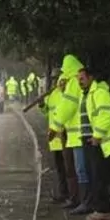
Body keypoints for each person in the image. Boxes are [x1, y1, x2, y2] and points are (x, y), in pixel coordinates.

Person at [71, 67, 110, 220]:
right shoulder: (85, 95)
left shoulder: (100, 94)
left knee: (99, 176)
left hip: (98, 142)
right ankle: (98, 208)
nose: (80, 82)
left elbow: (105, 116)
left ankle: (103, 210)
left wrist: (97, 136)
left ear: (91, 78)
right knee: (93, 175)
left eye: (82, 78)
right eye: (78, 79)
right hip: (88, 140)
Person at [49, 54, 86, 210]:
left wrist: (55, 127)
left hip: (78, 135)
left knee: (79, 170)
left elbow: (67, 107)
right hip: (72, 134)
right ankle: (77, 199)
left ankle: (81, 201)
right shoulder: (75, 82)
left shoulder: (74, 83)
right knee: (75, 169)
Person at [39, 75, 71, 203]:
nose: (60, 83)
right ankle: (63, 193)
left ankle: (69, 194)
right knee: (60, 168)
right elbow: (48, 113)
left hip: (65, 136)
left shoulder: (67, 95)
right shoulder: (51, 96)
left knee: (68, 168)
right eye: (59, 81)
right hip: (55, 139)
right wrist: (42, 106)